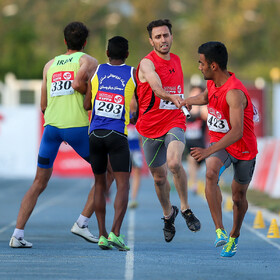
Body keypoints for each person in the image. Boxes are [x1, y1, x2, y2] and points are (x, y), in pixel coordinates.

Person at [9, 21, 100, 248]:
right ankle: (82, 222)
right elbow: (81, 84)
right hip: (76, 126)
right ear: (85, 42)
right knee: (106, 172)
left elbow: (43, 104)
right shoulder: (88, 61)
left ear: (64, 41)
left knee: (39, 182)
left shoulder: (49, 65)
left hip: (51, 128)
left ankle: (17, 234)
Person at [179, 41, 258, 257]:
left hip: (243, 148)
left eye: (201, 63)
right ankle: (220, 231)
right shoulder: (214, 82)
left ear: (213, 65)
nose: (199, 67)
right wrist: (189, 100)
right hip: (220, 142)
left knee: (238, 196)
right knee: (210, 173)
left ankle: (234, 234)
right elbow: (206, 97)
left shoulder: (234, 93)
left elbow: (237, 132)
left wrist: (206, 151)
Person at [135, 19, 201, 243]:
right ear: (151, 40)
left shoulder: (177, 60)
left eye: (166, 35)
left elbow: (177, 91)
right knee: (159, 178)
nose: (163, 40)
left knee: (174, 163)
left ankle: (185, 209)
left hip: (174, 120)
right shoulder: (146, 63)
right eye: (158, 37)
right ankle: (168, 214)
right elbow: (155, 86)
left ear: (172, 36)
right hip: (149, 127)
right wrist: (171, 97)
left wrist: (183, 101)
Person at [84, 36, 135, 251]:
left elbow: (87, 103)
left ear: (107, 53)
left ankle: (102, 235)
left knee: (99, 184)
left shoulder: (96, 72)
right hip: (117, 135)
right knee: (123, 184)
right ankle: (115, 232)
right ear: (127, 54)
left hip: (95, 134)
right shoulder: (133, 73)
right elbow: (136, 109)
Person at [184, 86, 208, 192]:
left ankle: (195, 178)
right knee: (190, 159)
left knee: (196, 166)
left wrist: (198, 107)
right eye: (193, 93)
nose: (195, 96)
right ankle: (194, 184)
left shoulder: (203, 109)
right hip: (188, 145)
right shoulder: (184, 108)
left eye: (197, 94)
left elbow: (205, 115)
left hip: (201, 145)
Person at [127, 112, 143, 209]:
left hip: (136, 149)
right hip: (124, 148)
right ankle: (125, 196)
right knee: (124, 174)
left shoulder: (138, 113)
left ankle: (133, 198)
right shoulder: (122, 110)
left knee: (137, 172)